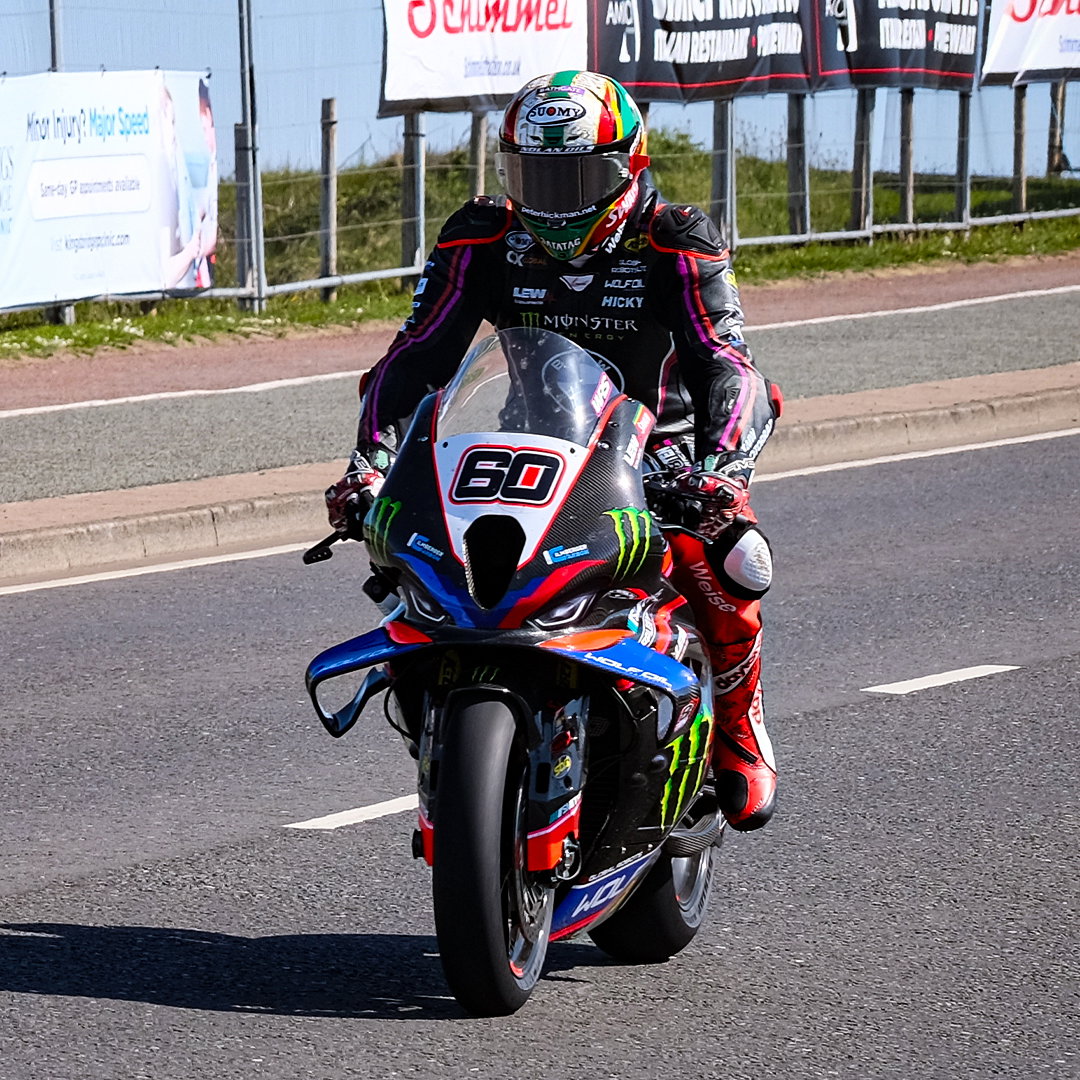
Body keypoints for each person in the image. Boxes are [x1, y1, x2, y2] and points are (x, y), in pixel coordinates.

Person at [325, 71, 782, 831]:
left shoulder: (676, 240)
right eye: (536, 177)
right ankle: (446, 723)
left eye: (579, 177)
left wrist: (724, 473)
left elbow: (727, 364)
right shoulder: (481, 237)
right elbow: (415, 356)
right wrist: (368, 462)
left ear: (630, 167)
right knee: (400, 547)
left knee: (732, 561)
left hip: (653, 459)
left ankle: (738, 723)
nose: (557, 201)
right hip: (522, 444)